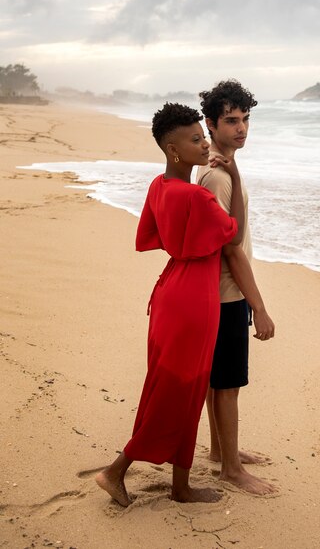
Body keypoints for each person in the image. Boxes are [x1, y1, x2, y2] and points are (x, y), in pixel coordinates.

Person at [96, 102, 245, 506]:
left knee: (177, 390)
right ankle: (115, 470)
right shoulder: (195, 196)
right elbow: (233, 237)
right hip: (194, 299)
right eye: (195, 139)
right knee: (177, 393)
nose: (203, 145)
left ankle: (181, 486)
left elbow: (149, 237)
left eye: (202, 137)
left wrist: (186, 242)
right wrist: (232, 175)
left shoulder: (158, 187)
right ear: (172, 149)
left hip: (169, 290)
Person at [197, 80, 276, 495]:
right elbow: (231, 250)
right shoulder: (217, 177)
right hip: (227, 292)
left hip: (221, 291)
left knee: (219, 380)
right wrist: (258, 306)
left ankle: (218, 451)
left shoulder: (222, 166)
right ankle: (230, 468)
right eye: (231, 121)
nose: (241, 128)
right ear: (210, 123)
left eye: (245, 119)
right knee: (227, 385)